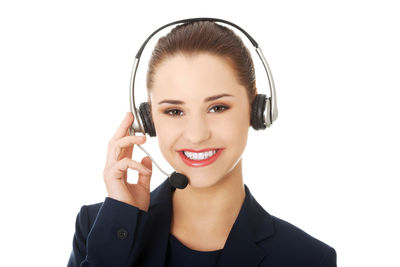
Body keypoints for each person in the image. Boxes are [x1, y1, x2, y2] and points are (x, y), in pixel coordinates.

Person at [67, 20, 337, 266]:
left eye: (217, 108)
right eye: (174, 111)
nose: (197, 135)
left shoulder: (307, 259)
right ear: (147, 120)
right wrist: (121, 225)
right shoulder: (99, 229)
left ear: (256, 109)